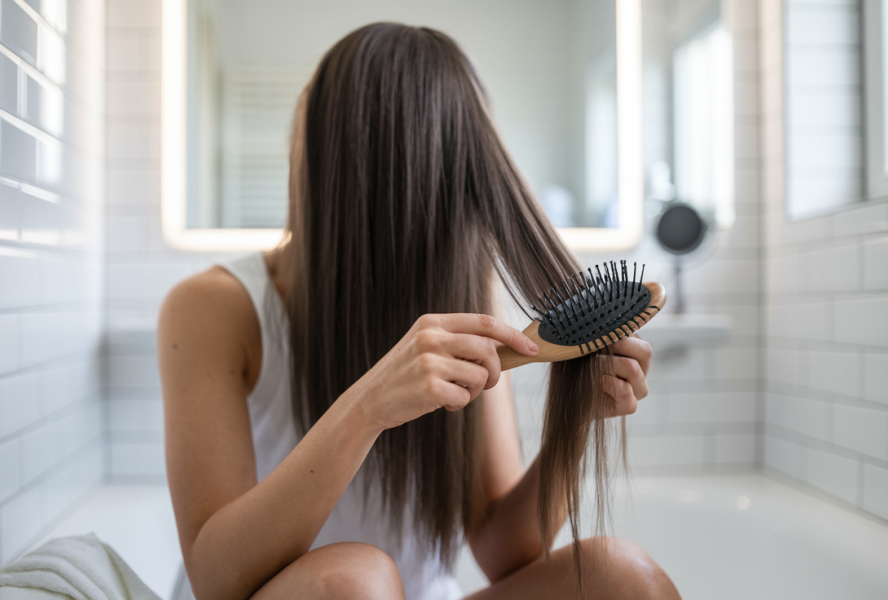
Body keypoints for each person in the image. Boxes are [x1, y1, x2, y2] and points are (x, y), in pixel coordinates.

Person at [158, 22, 681, 600]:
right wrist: (367, 409)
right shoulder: (214, 307)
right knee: (354, 583)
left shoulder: (466, 307)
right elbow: (215, 579)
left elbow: (502, 554)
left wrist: (573, 424)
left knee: (625, 579)